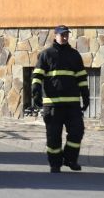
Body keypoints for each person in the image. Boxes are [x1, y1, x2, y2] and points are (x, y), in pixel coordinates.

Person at [32, 25, 89, 173]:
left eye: (66, 35)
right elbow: (37, 76)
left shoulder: (75, 55)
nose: (64, 37)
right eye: (62, 35)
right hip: (52, 106)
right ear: (55, 35)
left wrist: (86, 96)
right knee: (53, 137)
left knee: (77, 132)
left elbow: (82, 78)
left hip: (72, 105)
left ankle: (70, 159)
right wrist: (36, 92)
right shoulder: (46, 54)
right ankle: (55, 164)